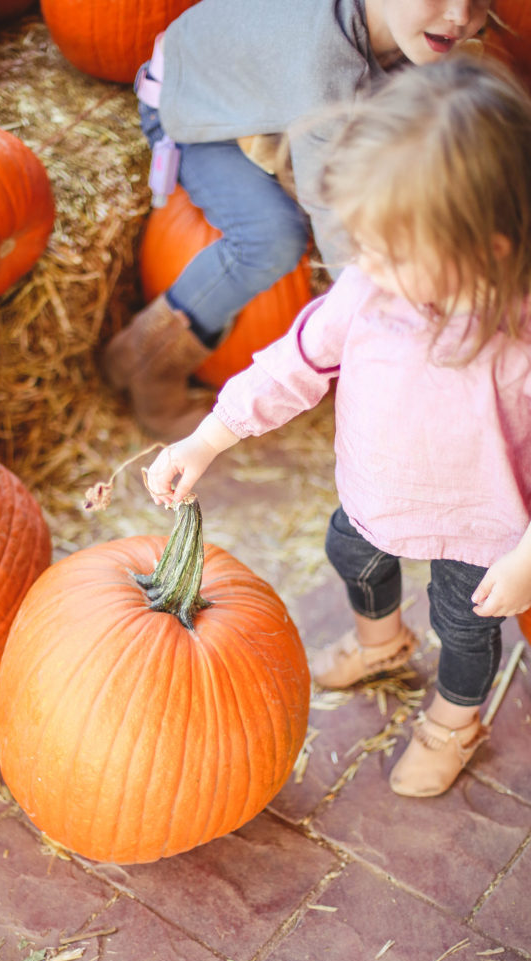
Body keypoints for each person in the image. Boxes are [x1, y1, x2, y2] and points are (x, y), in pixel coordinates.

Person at [143, 55, 531, 798]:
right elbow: (292, 365)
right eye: (367, 242)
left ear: (490, 249)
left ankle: (454, 722)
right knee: (351, 553)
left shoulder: (518, 337)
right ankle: (381, 644)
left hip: (482, 528)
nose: (368, 263)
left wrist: (528, 558)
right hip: (374, 494)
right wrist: (209, 438)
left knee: (467, 629)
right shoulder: (369, 292)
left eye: (392, 249)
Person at [99, 0, 493, 440]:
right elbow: (327, 201)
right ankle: (144, 361)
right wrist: (374, 307)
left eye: (480, 0)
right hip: (200, 108)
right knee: (270, 238)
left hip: (272, 92)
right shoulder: (323, 55)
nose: (461, 15)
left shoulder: (416, 34)